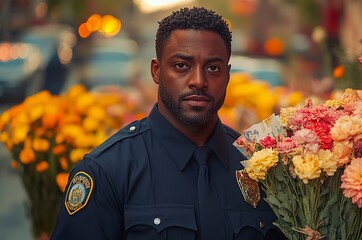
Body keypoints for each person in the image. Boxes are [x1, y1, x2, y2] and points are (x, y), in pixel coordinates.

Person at [51, 7, 286, 240]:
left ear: (227, 75)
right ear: (156, 71)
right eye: (181, 66)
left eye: (213, 68)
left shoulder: (257, 167)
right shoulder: (107, 171)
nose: (198, 81)